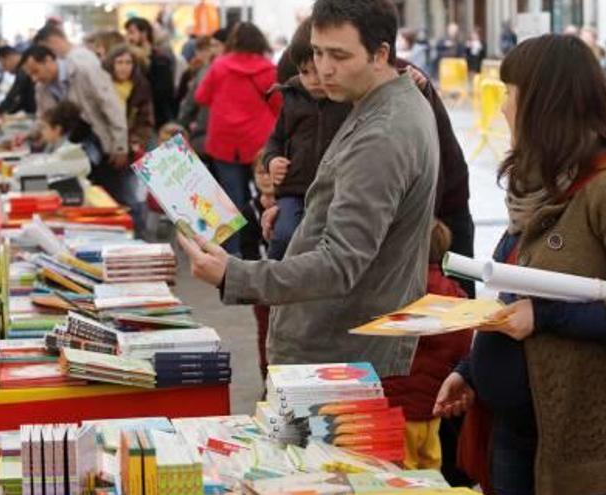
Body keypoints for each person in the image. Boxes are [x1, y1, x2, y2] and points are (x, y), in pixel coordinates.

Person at [435, 34, 606, 495]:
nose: (503, 107)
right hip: (523, 437)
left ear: (544, 102)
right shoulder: (535, 188)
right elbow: (516, 295)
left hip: (595, 455)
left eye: (510, 94)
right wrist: (470, 371)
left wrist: (544, 317)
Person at [179, 0, 439, 378]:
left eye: (339, 55)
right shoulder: (376, 105)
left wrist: (233, 274)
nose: (324, 68)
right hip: (335, 344)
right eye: (317, 52)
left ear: (381, 54)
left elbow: (339, 263)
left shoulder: (383, 132)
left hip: (337, 355)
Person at [382, 220, 471, 471]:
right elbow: (463, 349)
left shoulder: (396, 291)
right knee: (430, 470)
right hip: (432, 410)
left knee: (401, 476)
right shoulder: (454, 295)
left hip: (395, 408)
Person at [261, 18, 352, 262]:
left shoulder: (347, 99)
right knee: (283, 237)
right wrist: (272, 161)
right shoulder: (291, 97)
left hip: (334, 193)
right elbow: (274, 141)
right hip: (294, 191)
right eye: (304, 72)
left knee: (323, 247)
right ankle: (271, 291)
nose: (313, 80)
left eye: (317, 71)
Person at [195, 22, 281, 256]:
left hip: (224, 143)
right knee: (263, 197)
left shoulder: (219, 66)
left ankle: (230, 257)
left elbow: (201, 96)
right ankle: (261, 249)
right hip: (259, 143)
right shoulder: (268, 70)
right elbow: (278, 105)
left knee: (229, 203)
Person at [22, 44, 129, 171]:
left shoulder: (84, 71)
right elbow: (43, 117)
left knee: (109, 187)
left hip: (101, 142)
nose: (34, 79)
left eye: (36, 71)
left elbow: (112, 107)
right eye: (30, 75)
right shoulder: (41, 88)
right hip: (71, 148)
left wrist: (120, 146)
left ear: (48, 60)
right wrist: (31, 135)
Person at [103, 44, 154, 234]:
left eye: (128, 62)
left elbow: (146, 119)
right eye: (119, 62)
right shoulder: (104, 85)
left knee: (132, 196)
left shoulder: (140, 85)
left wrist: (136, 140)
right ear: (111, 64)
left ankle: (139, 235)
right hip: (106, 150)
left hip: (131, 151)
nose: (124, 67)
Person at [178, 28, 227, 163]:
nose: (212, 50)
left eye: (215, 45)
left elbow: (192, 102)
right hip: (214, 136)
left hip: (210, 135)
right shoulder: (204, 70)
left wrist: (183, 124)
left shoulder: (209, 70)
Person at [125, 17, 176, 129]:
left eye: (132, 32)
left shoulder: (159, 58)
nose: (128, 37)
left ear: (144, 33)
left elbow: (164, 91)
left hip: (157, 117)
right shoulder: (127, 57)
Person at [0, 45, 36, 115]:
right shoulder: (22, 67)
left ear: (10, 57)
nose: (5, 69)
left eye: (4, 64)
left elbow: (15, 92)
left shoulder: (24, 67)